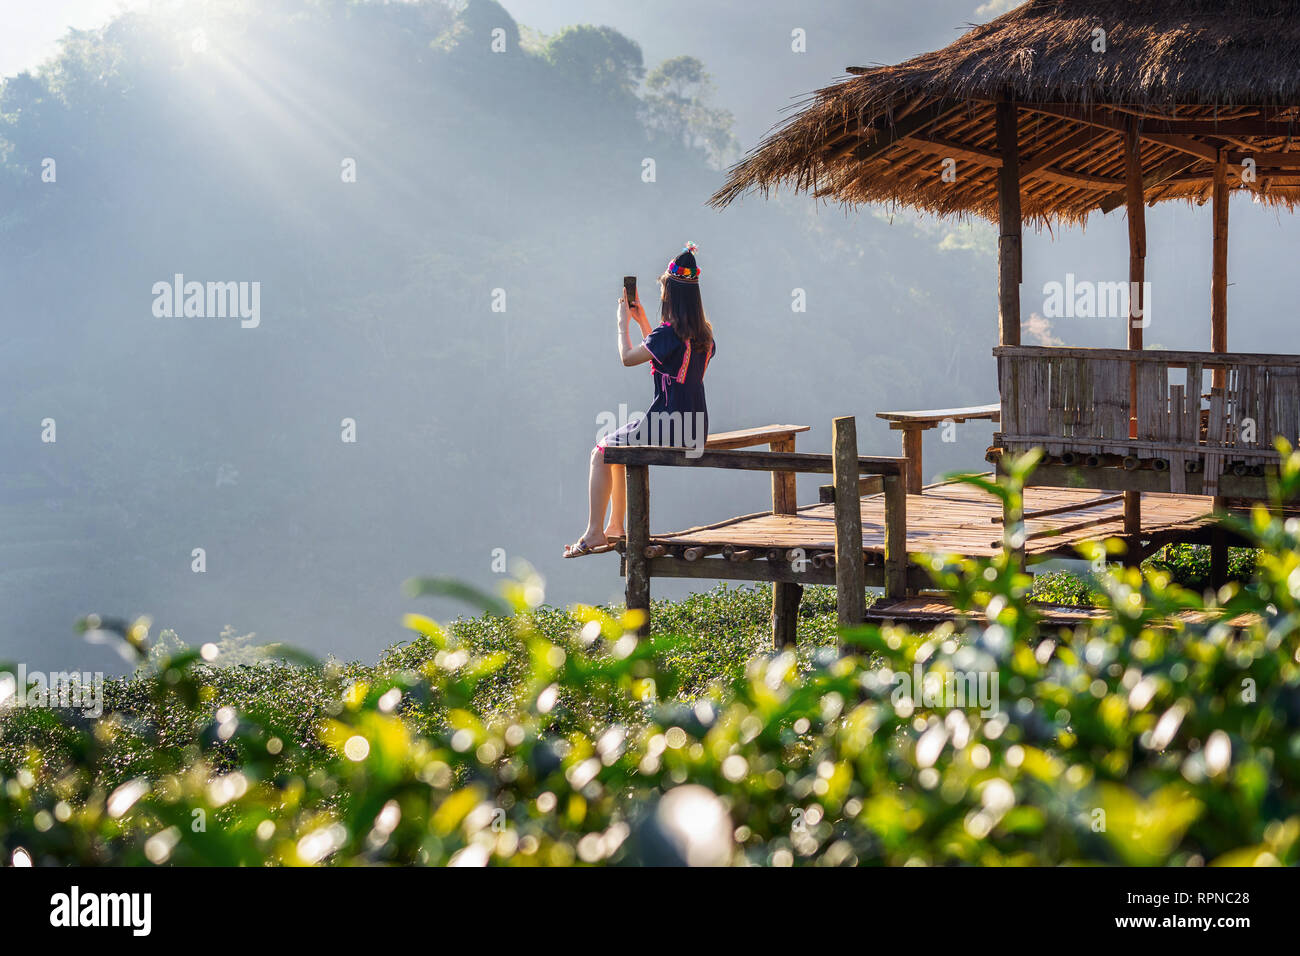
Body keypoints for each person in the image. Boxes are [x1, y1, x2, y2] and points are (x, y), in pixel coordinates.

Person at [564, 242, 716, 557]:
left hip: (666, 424)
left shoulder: (668, 333)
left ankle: (595, 532)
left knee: (600, 452)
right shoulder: (704, 336)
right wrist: (643, 323)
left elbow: (629, 358)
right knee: (617, 448)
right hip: (694, 428)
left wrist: (622, 326)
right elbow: (670, 361)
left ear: (671, 295)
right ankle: (615, 528)